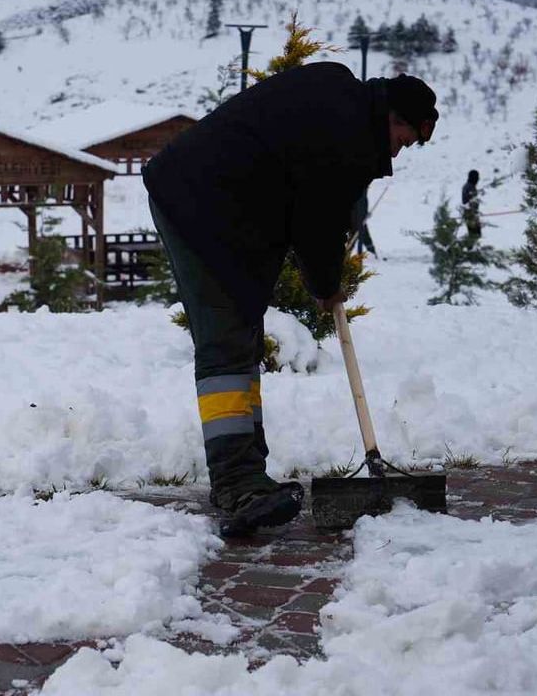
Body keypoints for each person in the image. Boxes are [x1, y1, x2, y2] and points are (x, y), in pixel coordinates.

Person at [143, 63, 437, 535]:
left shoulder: (339, 99)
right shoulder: (347, 132)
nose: (396, 156)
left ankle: (243, 476)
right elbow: (317, 218)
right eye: (402, 142)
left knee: (240, 335)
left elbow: (298, 188)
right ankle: (239, 486)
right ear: (393, 118)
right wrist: (325, 285)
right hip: (196, 205)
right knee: (226, 344)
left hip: (216, 206)